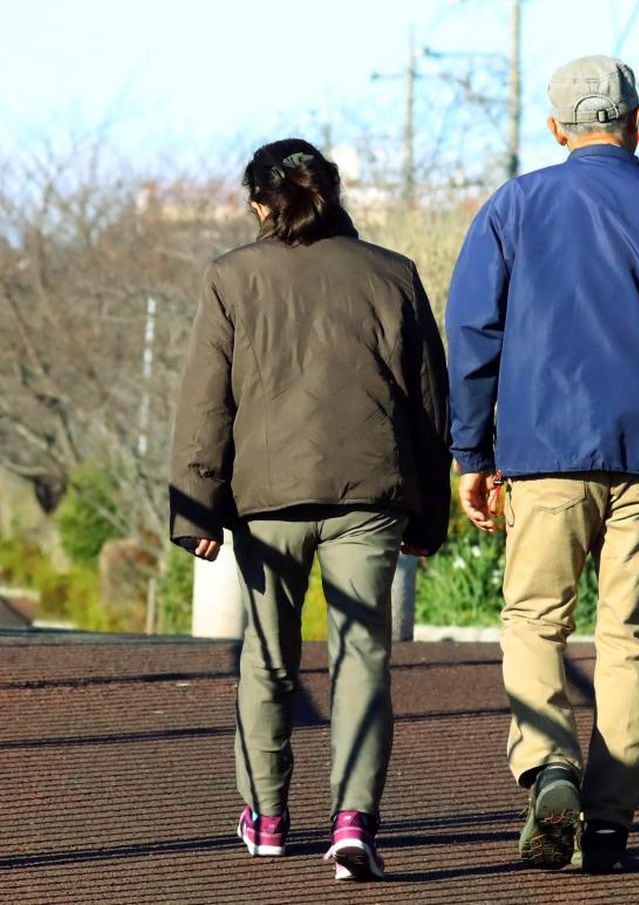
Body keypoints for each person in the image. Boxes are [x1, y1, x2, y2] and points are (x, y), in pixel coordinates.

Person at [446, 55, 639, 873]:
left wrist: (471, 451)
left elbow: (473, 337)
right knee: (630, 636)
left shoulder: (514, 209)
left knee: (535, 618)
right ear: (635, 119)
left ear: (558, 128)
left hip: (543, 454)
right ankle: (611, 820)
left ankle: (549, 768)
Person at [169, 138, 451, 882]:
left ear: (261, 203)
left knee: (267, 656)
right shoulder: (393, 275)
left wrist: (196, 507)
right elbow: (429, 406)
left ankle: (265, 815)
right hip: (372, 493)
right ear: (332, 193)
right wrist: (430, 513)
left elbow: (206, 399)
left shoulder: (233, 277)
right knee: (363, 657)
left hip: (269, 499)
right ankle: (352, 818)